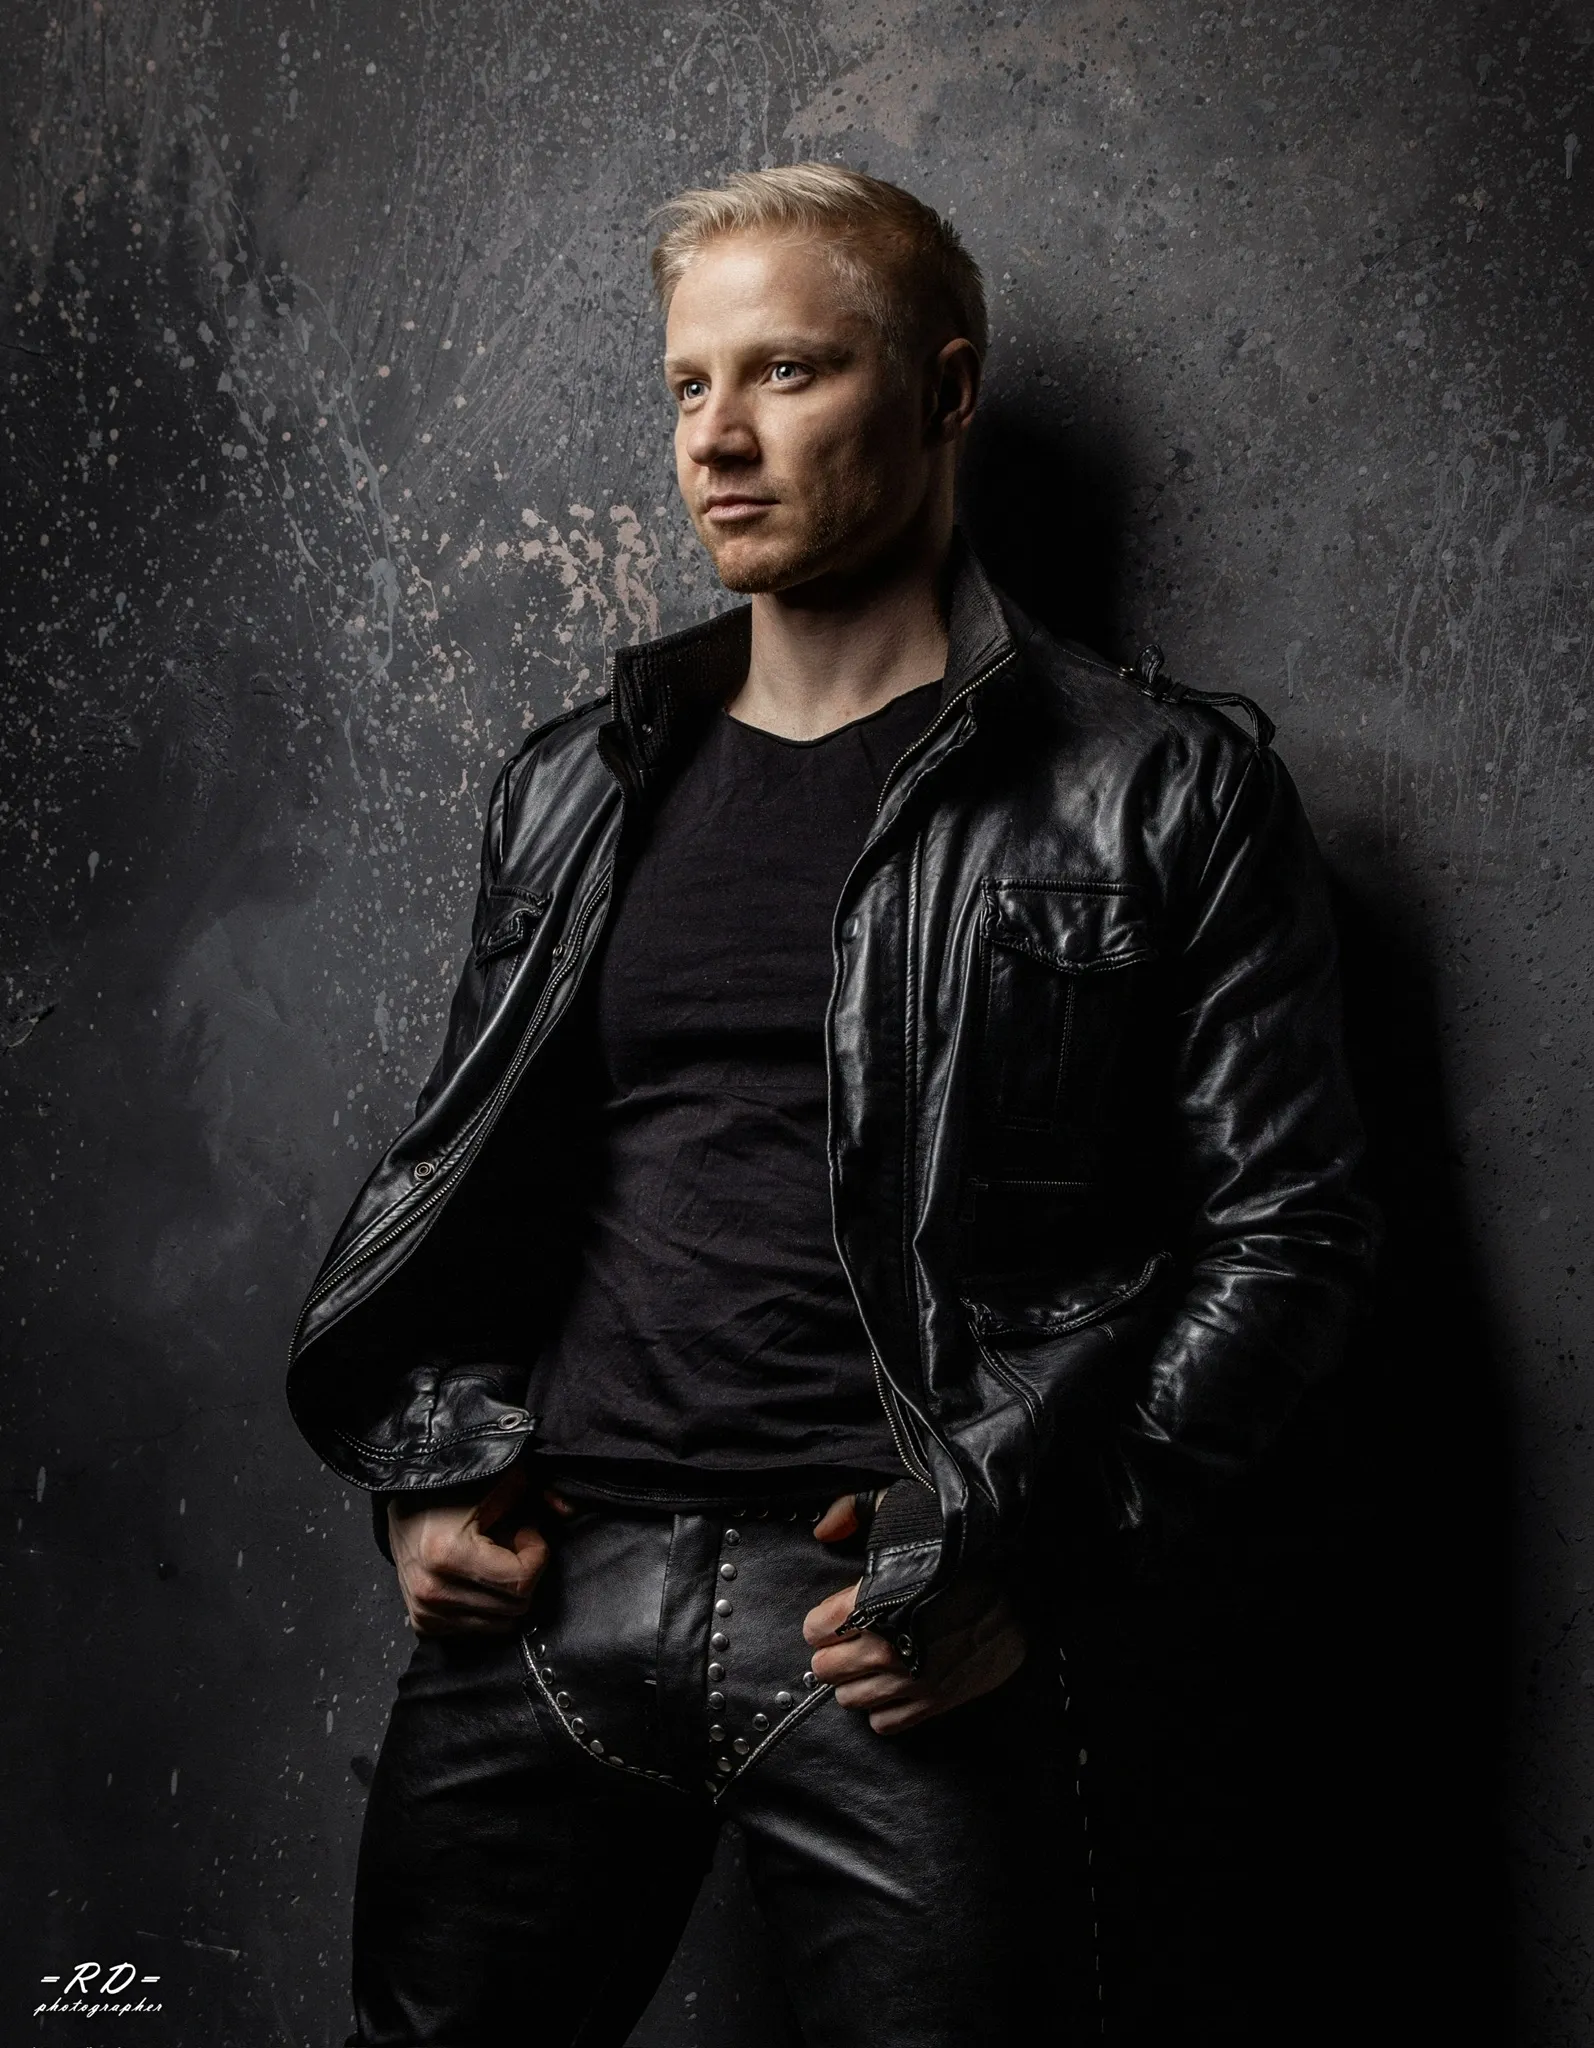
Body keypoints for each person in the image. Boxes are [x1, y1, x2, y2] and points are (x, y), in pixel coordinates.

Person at [286, 164, 1377, 2047]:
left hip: (886, 1621)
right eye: (685, 385)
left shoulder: (1157, 789)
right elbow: (474, 1183)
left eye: (784, 372)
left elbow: (1286, 1237)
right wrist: (426, 1464)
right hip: (540, 1611)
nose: (715, 438)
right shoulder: (574, 787)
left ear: (941, 392)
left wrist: (1032, 1565)